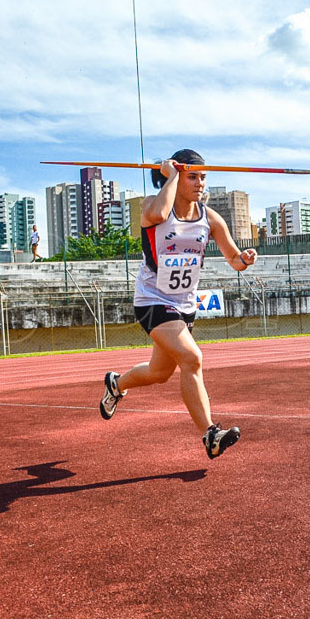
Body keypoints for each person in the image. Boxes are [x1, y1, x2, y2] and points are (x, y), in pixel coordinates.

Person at [99, 149, 257, 460]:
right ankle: (211, 433)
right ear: (176, 177)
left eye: (203, 176)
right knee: (192, 358)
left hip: (184, 305)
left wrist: (245, 259)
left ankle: (116, 384)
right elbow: (158, 216)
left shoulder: (209, 217)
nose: (200, 183)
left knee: (159, 372)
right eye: (193, 176)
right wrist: (170, 176)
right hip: (152, 300)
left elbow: (233, 259)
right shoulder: (152, 207)